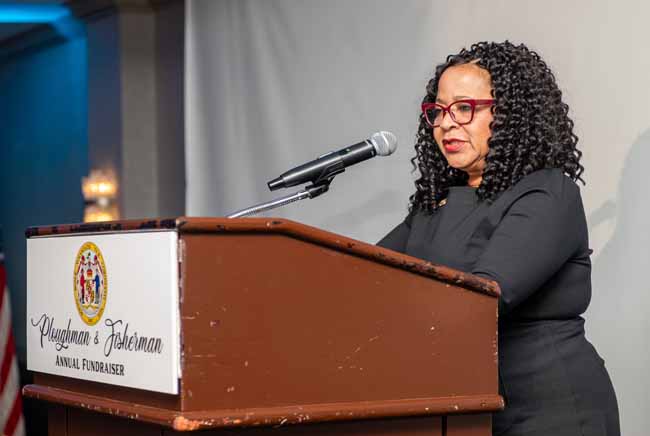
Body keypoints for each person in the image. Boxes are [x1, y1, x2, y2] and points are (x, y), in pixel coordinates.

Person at [378, 41, 620, 436]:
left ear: (509, 113)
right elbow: (365, 271)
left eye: (464, 108)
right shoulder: (432, 207)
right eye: (437, 111)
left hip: (549, 411)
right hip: (467, 411)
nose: (445, 123)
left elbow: (483, 296)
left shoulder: (547, 193)